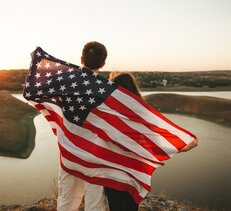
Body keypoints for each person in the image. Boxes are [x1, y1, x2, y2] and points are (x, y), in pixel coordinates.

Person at [104, 72, 198, 211]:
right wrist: (182, 147)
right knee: (131, 207)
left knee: (116, 207)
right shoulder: (145, 114)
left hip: (113, 173)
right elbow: (156, 144)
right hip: (136, 172)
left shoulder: (107, 113)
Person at [57, 41, 108, 211]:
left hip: (69, 153)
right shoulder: (108, 91)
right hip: (95, 156)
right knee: (95, 204)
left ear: (81, 58)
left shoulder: (64, 82)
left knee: (66, 200)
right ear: (103, 63)